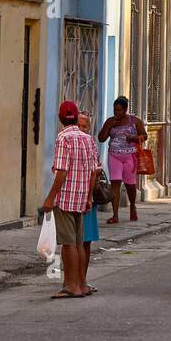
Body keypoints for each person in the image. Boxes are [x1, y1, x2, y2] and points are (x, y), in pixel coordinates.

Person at [42, 100, 97, 299]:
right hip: (82, 196)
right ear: (75, 117)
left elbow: (62, 171)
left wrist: (50, 198)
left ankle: (72, 286)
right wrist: (89, 196)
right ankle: (81, 284)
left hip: (66, 197)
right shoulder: (87, 139)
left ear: (60, 118)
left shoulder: (63, 138)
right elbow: (93, 172)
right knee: (79, 243)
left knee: (68, 244)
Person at [98, 96, 147, 224]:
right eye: (115, 110)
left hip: (130, 156)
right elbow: (101, 138)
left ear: (125, 110)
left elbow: (144, 135)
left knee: (130, 185)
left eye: (119, 110)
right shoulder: (110, 121)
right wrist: (108, 127)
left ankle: (132, 206)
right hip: (114, 155)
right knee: (115, 184)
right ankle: (115, 215)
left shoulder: (134, 121)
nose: (117, 113)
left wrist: (134, 138)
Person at [77, 113, 100, 296]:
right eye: (79, 125)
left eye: (85, 127)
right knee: (71, 242)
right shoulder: (66, 141)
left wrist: (89, 196)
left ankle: (82, 280)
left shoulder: (90, 143)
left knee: (86, 242)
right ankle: (72, 280)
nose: (81, 130)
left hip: (87, 198)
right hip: (73, 198)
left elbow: (95, 169)